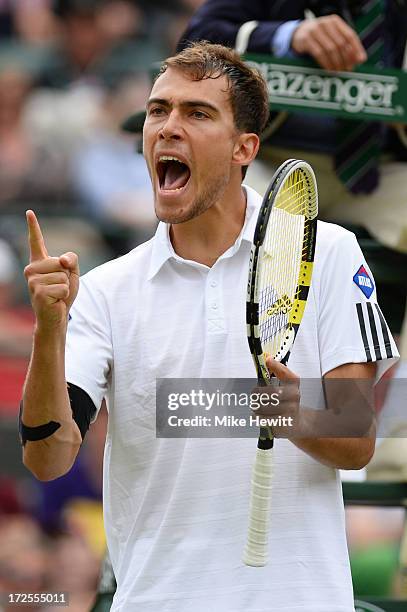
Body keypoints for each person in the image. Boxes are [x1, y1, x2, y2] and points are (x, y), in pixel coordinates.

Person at [21, 42, 398, 611]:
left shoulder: (328, 251)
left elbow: (356, 440)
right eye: (157, 111)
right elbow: (47, 458)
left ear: (244, 148)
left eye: (197, 113)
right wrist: (48, 333)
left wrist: (273, 405)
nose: (168, 127)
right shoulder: (105, 289)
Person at [178, 0, 407, 253]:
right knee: (241, 221)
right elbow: (194, 44)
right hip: (267, 161)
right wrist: (287, 35)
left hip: (377, 170)